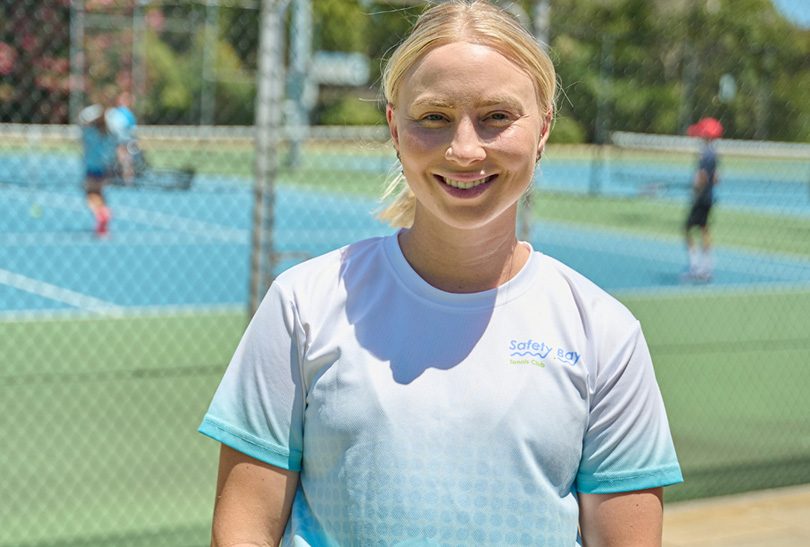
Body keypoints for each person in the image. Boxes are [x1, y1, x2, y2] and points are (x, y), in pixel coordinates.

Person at [199, 2, 683, 545]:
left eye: (497, 117)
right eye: (434, 117)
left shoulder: (603, 333)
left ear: (543, 128)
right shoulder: (303, 304)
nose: (465, 149)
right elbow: (244, 529)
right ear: (394, 127)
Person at [684, 116, 723, 282]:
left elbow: (703, 178)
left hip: (701, 199)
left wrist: (695, 187)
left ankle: (696, 267)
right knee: (704, 229)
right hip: (709, 198)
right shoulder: (714, 154)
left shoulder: (704, 155)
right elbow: (716, 179)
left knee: (687, 229)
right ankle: (706, 267)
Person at [78, 103, 117, 235]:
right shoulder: (107, 134)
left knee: (90, 194)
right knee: (99, 193)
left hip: (92, 168)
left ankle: (102, 213)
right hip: (105, 168)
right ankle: (103, 218)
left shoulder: (89, 133)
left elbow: (82, 121)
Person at [105, 91, 138, 184]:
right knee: (121, 160)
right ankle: (123, 177)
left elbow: (131, 129)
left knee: (125, 160)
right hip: (117, 140)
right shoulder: (115, 112)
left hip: (124, 141)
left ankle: (127, 178)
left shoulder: (127, 114)